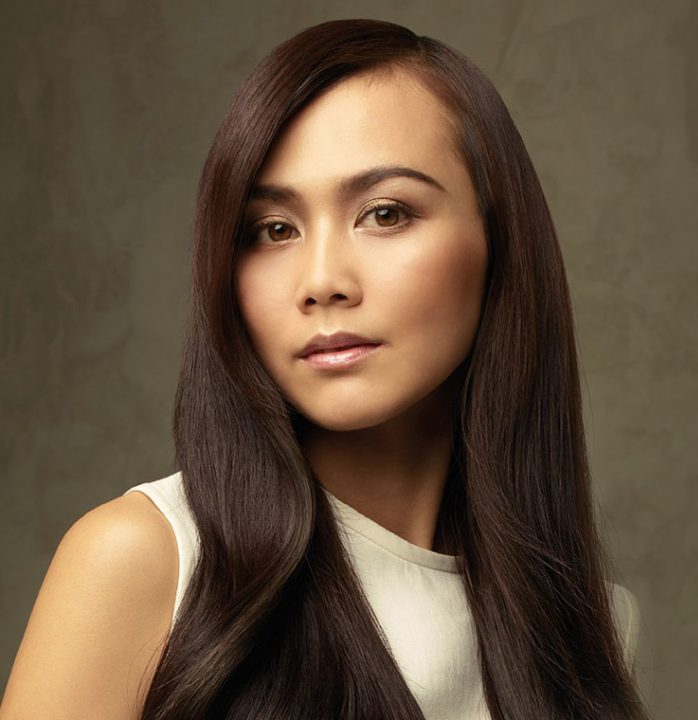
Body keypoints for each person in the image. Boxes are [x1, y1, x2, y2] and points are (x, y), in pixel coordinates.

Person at [0, 18, 647, 720]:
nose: (321, 281)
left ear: (498, 239)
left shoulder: (593, 630)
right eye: (274, 229)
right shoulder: (148, 561)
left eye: (385, 213)